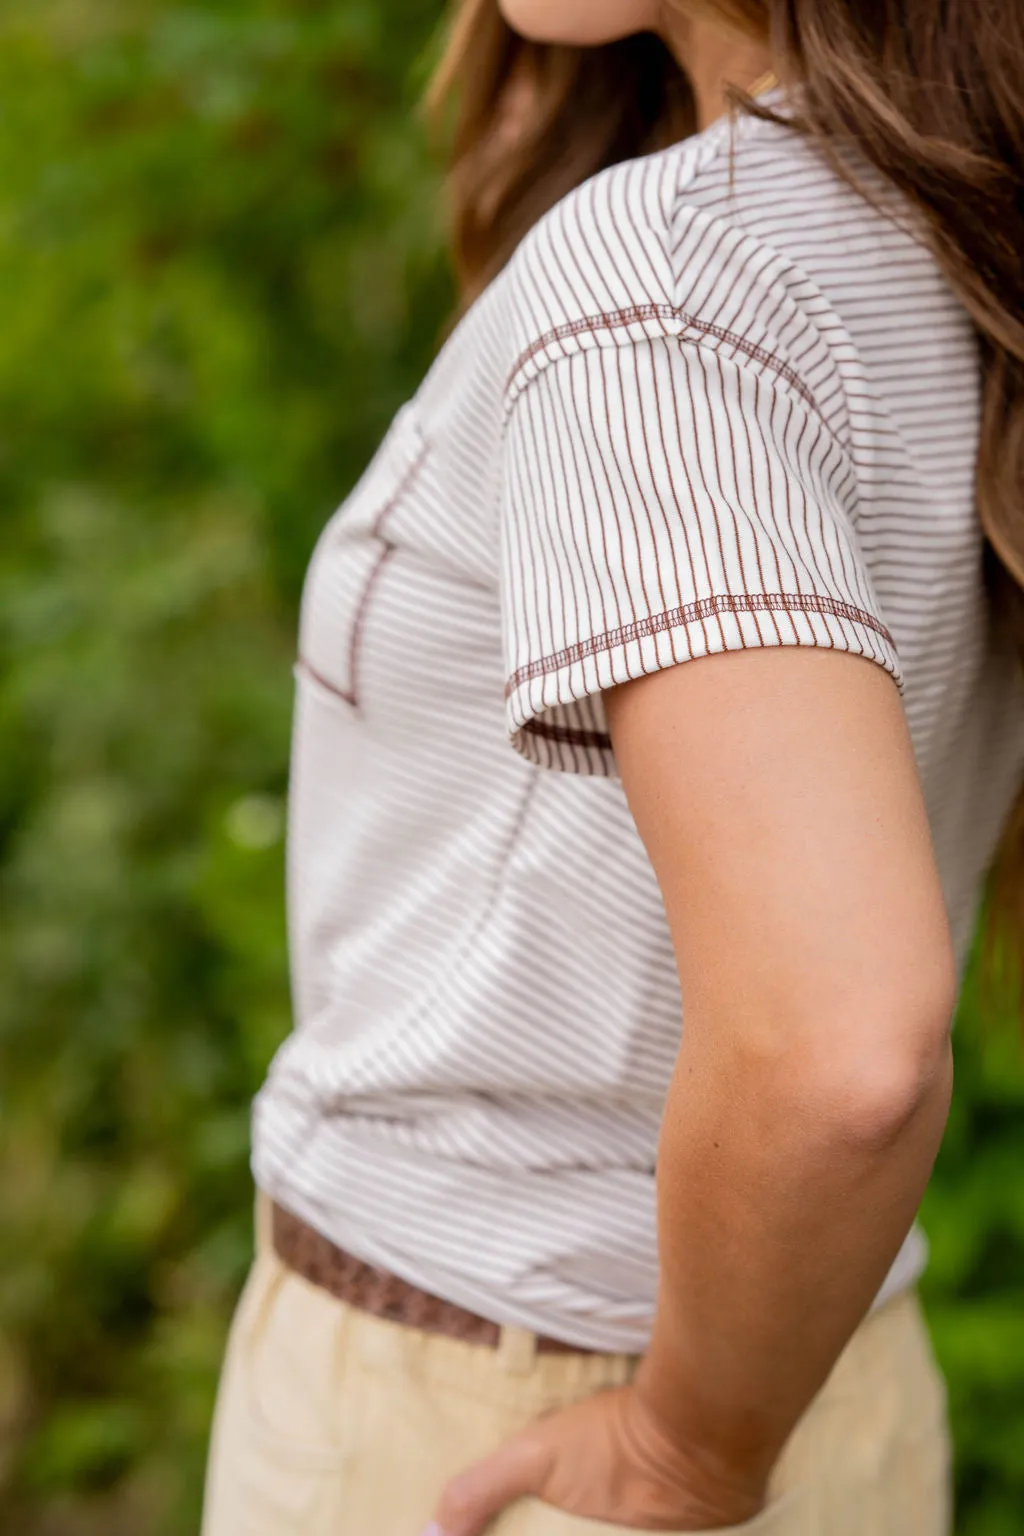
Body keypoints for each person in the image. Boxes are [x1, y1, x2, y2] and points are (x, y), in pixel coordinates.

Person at [200, 0, 1024, 1532]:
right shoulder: (939, 237)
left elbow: (835, 1050)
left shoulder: (667, 283)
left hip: (503, 1423)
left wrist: (682, 1452)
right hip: (839, 1397)